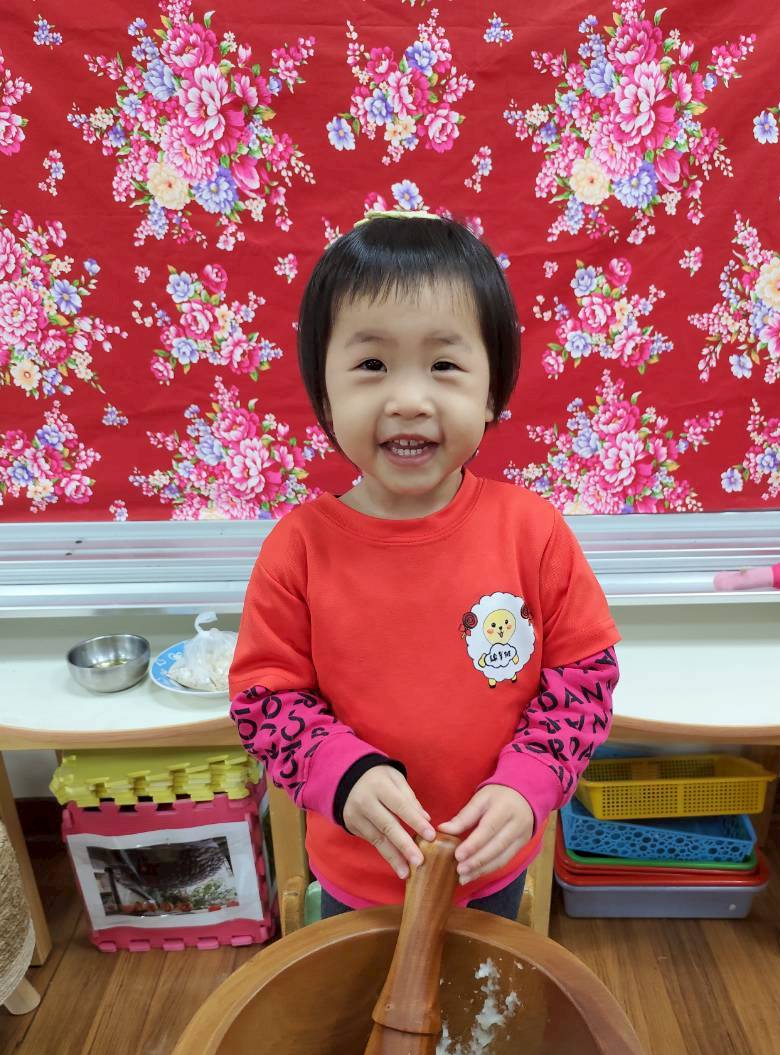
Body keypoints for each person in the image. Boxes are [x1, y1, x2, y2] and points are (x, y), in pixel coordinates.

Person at [229, 209, 619, 921]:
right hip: (357, 868)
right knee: (361, 993)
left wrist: (530, 781)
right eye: (371, 365)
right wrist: (342, 774)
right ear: (324, 393)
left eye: (444, 365)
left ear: (491, 391)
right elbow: (265, 702)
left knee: (479, 992)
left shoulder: (533, 532)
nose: (409, 400)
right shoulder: (298, 548)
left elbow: (583, 683)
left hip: (488, 864)